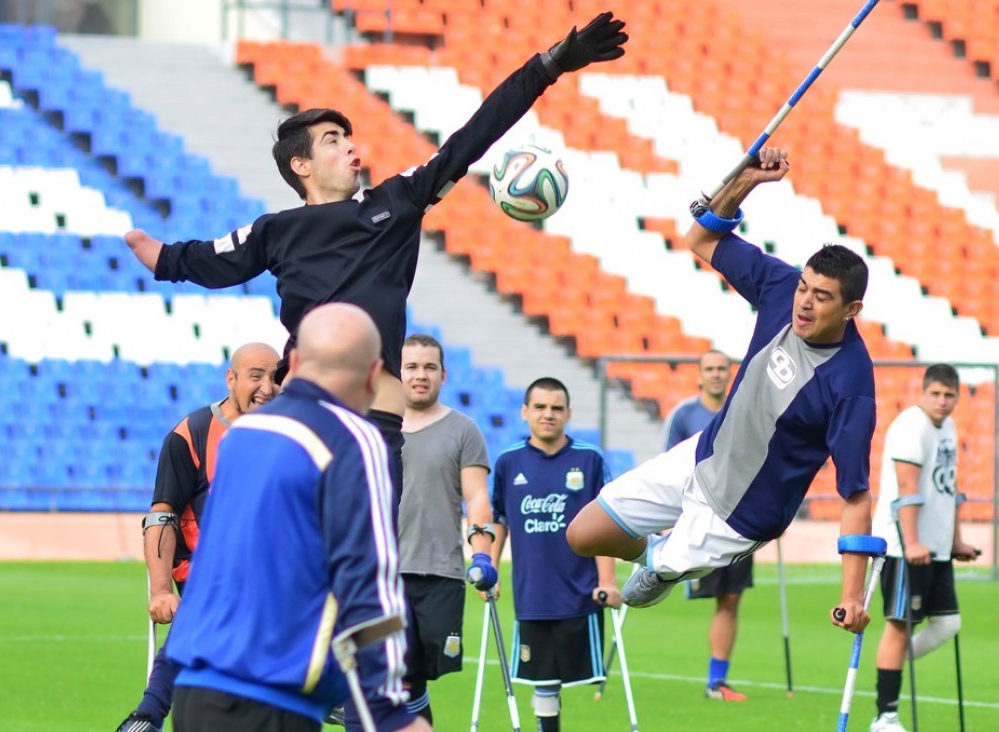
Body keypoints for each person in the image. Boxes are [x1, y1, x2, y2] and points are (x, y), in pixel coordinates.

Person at [120, 12, 629, 502]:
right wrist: (164, 258)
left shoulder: (396, 202)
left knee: (365, 563)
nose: (350, 148)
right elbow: (212, 259)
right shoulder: (275, 230)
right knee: (296, 559)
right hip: (304, 411)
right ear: (301, 164)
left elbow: (472, 137)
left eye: (349, 138)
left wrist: (549, 66)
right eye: (333, 141)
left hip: (374, 422)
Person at [566, 146, 879, 636]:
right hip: (701, 456)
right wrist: (747, 180)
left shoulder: (852, 385)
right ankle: (657, 555)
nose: (805, 303)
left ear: (851, 310)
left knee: (640, 590)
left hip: (740, 516)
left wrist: (851, 595)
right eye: (805, 288)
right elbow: (701, 237)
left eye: (822, 297)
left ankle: (665, 564)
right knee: (583, 533)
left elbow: (855, 495)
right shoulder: (781, 288)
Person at [165, 303, 429, 732]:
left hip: (194, 690)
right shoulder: (354, 437)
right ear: (374, 373)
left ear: (296, 362)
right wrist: (389, 710)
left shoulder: (242, 435)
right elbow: (370, 578)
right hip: (272, 700)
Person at [115, 342, 280, 732]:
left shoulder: (298, 434)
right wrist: (159, 590)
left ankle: (148, 712)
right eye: (256, 376)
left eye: (276, 377)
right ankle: (149, 712)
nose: (268, 388)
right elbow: (162, 516)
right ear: (231, 379)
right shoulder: (192, 434)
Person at [491, 377, 620, 732]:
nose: (548, 414)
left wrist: (607, 581)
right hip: (532, 593)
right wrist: (490, 567)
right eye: (540, 407)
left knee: (571, 679)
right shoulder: (507, 462)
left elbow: (606, 523)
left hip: (580, 593)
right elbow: (498, 520)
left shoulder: (589, 459)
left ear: (568, 414)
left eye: (556, 408)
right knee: (542, 681)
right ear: (525, 412)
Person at [868, 364, 980, 732]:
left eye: (949, 395)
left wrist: (955, 540)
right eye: (936, 394)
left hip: (935, 547)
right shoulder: (911, 426)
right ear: (922, 392)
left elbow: (949, 487)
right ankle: (885, 717)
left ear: (957, 397)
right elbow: (907, 488)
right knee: (899, 626)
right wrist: (912, 541)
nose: (942, 402)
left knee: (948, 623)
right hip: (905, 547)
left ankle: (892, 665)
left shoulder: (947, 428)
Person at [395, 334, 497, 724]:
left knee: (419, 674)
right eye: (412, 367)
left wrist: (483, 552)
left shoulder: (463, 430)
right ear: (397, 372)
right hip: (384, 572)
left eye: (429, 367)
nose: (420, 375)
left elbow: (476, 499)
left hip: (441, 570)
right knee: (396, 671)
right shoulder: (378, 425)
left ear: (443, 374)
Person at [663, 350, 752, 702]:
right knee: (666, 582)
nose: (716, 375)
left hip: (741, 518)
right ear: (699, 376)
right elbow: (670, 464)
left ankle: (717, 682)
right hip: (700, 518)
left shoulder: (742, 410)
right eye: (710, 369)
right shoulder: (684, 415)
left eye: (721, 369)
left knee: (731, 599)